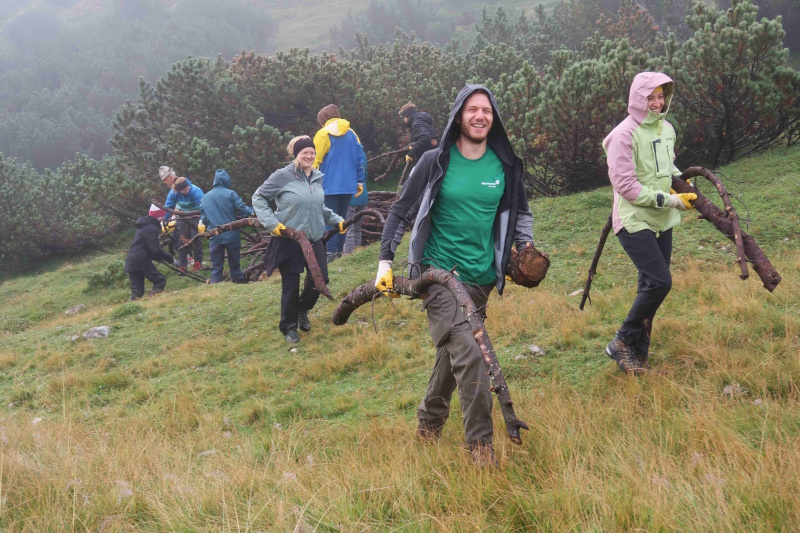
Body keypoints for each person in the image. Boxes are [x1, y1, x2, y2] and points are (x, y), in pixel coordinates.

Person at [374, 85, 535, 467]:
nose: (480, 116)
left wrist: (525, 248)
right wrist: (385, 261)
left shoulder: (505, 165)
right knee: (473, 355)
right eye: (472, 110)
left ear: (493, 119)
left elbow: (521, 213)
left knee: (454, 353)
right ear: (459, 116)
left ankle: (428, 424)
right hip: (438, 276)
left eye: (487, 111)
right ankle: (481, 449)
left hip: (479, 279)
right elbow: (400, 211)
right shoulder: (434, 161)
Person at [602, 72, 697, 374]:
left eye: (661, 97)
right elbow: (627, 187)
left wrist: (681, 182)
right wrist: (672, 200)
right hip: (633, 220)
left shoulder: (666, 129)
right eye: (650, 97)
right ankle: (621, 340)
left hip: (661, 220)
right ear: (637, 99)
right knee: (660, 282)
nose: (657, 103)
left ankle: (637, 357)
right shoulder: (623, 135)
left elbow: (666, 167)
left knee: (648, 285)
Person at [253, 136, 346, 344]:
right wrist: (272, 224)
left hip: (313, 238)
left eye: (312, 152)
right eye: (305, 152)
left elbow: (319, 207)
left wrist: (336, 220)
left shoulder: (316, 176)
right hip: (289, 239)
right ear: (296, 154)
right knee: (291, 284)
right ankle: (288, 328)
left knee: (320, 278)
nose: (309, 156)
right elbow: (258, 197)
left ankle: (302, 309)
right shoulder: (282, 176)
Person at [312, 104, 366, 262]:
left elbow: (315, 161)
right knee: (343, 220)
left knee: (329, 219)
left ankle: (330, 255)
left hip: (328, 185)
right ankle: (338, 255)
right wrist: (360, 181)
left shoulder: (323, 134)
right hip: (348, 185)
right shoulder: (352, 133)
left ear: (323, 120)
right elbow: (359, 159)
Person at [200, 169, 254, 284]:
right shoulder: (230, 194)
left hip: (214, 236)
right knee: (234, 262)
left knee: (216, 265)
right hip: (231, 235)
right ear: (227, 180)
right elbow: (243, 210)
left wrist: (209, 227)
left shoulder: (205, 197)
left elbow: (204, 219)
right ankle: (237, 280)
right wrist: (253, 212)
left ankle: (215, 283)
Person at [124, 206, 174, 300]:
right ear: (160, 216)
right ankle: (152, 301)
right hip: (141, 260)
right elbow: (155, 249)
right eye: (163, 216)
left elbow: (148, 248)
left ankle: (133, 308)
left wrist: (161, 258)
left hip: (132, 260)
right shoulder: (151, 228)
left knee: (137, 292)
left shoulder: (143, 226)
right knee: (160, 281)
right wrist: (171, 259)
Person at [165, 176, 205, 274]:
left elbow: (204, 207)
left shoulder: (196, 191)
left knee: (195, 239)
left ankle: (197, 263)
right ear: (178, 190)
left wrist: (202, 220)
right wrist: (166, 218)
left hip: (195, 215)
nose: (186, 191)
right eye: (183, 191)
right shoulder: (173, 192)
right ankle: (183, 265)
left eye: (187, 189)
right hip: (182, 216)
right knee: (182, 239)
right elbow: (168, 206)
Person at [398, 102, 441, 166]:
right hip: (437, 155)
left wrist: (412, 153)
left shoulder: (416, 123)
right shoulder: (420, 120)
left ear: (408, 116)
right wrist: (414, 146)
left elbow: (425, 137)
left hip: (432, 160)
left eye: (404, 118)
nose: (404, 121)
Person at [342, 175, 368, 255]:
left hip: (350, 198)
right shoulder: (363, 162)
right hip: (363, 197)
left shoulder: (348, 163)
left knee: (348, 229)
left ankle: (348, 254)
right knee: (357, 228)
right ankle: (357, 252)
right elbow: (365, 178)